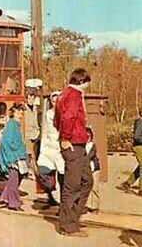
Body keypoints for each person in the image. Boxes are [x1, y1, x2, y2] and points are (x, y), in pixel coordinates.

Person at [55, 68, 93, 237]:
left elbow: (57, 118)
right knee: (73, 186)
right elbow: (67, 118)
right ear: (81, 81)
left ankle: (73, 218)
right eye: (87, 83)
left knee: (87, 181)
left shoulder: (65, 94)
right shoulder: (73, 95)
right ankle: (68, 226)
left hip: (78, 144)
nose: (87, 86)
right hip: (73, 144)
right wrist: (65, 138)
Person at [0, 104, 28, 211]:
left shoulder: (15, 125)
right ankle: (14, 203)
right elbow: (7, 143)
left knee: (15, 179)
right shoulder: (12, 125)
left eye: (21, 112)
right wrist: (11, 160)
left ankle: (5, 197)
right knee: (14, 180)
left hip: (18, 157)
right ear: (13, 114)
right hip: (14, 158)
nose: (20, 115)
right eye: (18, 113)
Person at [37, 91, 65, 206]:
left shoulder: (65, 113)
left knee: (62, 176)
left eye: (57, 101)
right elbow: (45, 130)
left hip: (61, 147)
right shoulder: (48, 114)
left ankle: (64, 200)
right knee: (44, 171)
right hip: (49, 147)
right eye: (53, 101)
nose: (55, 103)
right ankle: (50, 195)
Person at [119, 110, 142, 195]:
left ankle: (128, 183)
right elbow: (137, 136)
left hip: (139, 146)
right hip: (139, 146)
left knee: (140, 166)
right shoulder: (140, 122)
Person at [85, 128, 101, 213]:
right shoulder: (81, 146)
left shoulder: (92, 145)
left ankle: (95, 206)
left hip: (94, 169)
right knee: (86, 188)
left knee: (94, 188)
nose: (87, 137)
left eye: (89, 135)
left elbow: (90, 156)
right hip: (85, 169)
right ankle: (87, 205)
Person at [25, 93, 41, 175]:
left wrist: (37, 129)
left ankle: (32, 170)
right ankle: (30, 170)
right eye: (29, 99)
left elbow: (35, 120)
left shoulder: (35, 108)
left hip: (34, 133)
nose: (31, 101)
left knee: (33, 152)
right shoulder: (24, 109)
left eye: (32, 99)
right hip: (27, 133)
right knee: (29, 153)